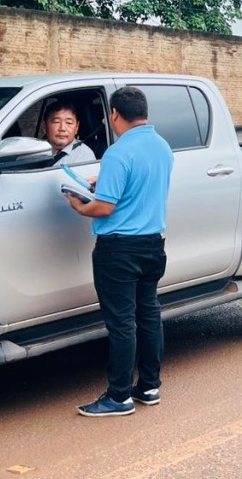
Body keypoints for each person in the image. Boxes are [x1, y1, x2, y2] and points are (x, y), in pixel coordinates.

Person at [64, 87, 174, 416]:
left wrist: (79, 206)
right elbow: (140, 187)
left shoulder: (118, 152)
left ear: (114, 114)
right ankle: (149, 386)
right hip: (153, 244)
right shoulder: (162, 146)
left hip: (119, 250)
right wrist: (105, 183)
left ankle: (119, 397)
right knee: (149, 314)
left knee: (122, 324)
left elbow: (104, 208)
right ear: (143, 111)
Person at [43, 100, 95, 164]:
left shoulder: (84, 155)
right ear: (45, 126)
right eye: (56, 122)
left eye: (69, 123)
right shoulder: (35, 150)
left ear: (76, 128)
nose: (62, 128)